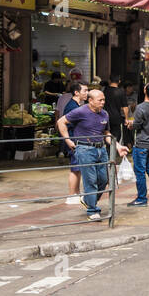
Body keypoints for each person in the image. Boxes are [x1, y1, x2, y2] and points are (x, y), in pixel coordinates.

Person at [57, 86, 127, 221]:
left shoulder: (104, 114)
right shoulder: (80, 111)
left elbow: (106, 133)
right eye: (100, 100)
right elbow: (61, 122)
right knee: (91, 181)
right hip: (85, 149)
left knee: (104, 179)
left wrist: (117, 146)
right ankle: (92, 210)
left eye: (104, 100)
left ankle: (88, 199)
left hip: (101, 149)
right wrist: (68, 140)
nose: (102, 102)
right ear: (90, 100)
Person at [102, 77, 129, 148]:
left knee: (106, 134)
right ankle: (112, 152)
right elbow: (125, 107)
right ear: (119, 81)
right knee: (116, 136)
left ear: (109, 80)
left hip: (105, 116)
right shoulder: (121, 91)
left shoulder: (105, 90)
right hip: (116, 117)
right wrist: (126, 118)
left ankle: (108, 150)